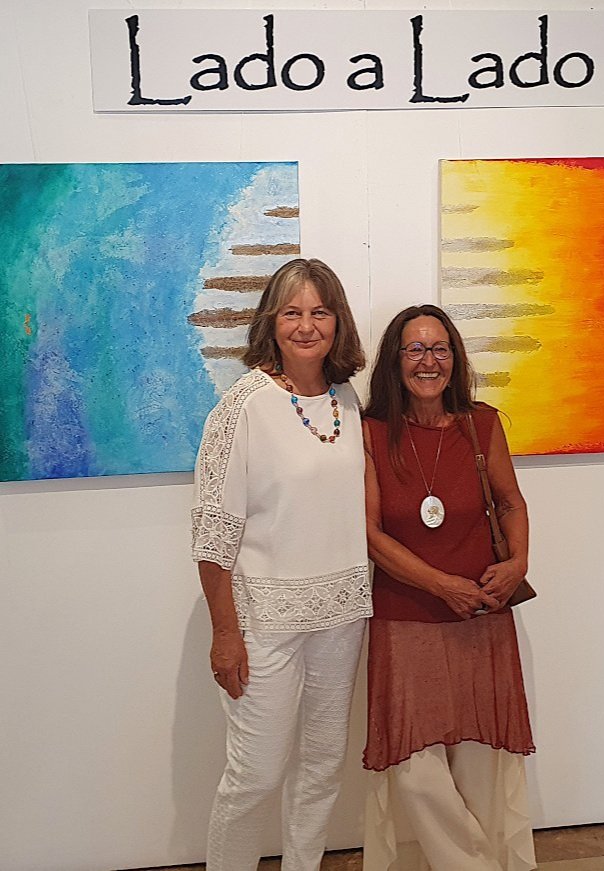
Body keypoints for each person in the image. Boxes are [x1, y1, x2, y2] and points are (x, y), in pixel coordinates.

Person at [191, 258, 372, 871]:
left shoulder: (346, 399)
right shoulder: (242, 406)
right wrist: (224, 633)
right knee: (255, 776)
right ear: (271, 321)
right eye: (292, 312)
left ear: (337, 322)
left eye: (320, 312)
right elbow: (213, 534)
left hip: (341, 615)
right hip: (264, 623)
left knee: (322, 766)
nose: (306, 325)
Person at [361, 304, 536, 871]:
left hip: (482, 612)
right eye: (414, 349)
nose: (428, 361)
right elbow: (370, 534)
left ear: (455, 359)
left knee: (481, 762)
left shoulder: (482, 424)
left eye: (439, 349)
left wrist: (518, 563)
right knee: (416, 771)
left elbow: (510, 503)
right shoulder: (371, 432)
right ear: (395, 361)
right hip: (404, 616)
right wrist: (441, 586)